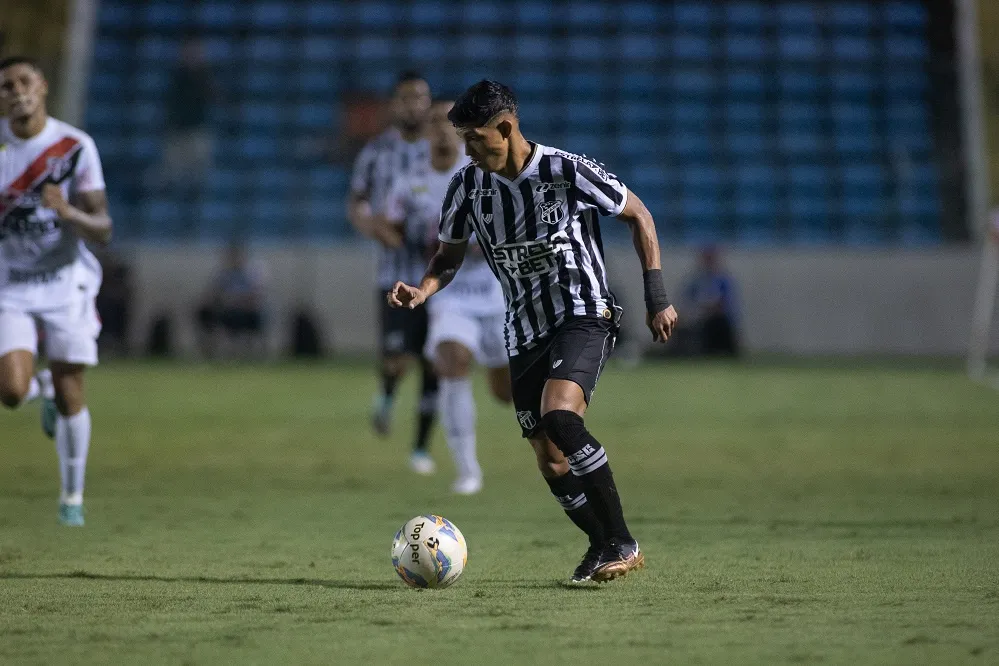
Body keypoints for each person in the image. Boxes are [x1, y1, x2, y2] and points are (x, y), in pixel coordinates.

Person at [388, 80, 678, 583]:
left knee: (561, 417)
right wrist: (423, 290)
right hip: (522, 331)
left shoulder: (566, 170)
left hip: (583, 314)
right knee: (549, 458)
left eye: (475, 138)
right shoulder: (467, 188)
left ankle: (624, 543)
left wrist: (656, 297)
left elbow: (640, 216)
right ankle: (599, 545)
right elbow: (448, 256)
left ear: (505, 127)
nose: (468, 150)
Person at [0, 56, 113, 526]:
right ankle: (37, 384)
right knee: (9, 392)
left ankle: (72, 496)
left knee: (72, 391)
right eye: (6, 86)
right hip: (11, 284)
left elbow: (103, 228)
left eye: (24, 81)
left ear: (43, 86)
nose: (16, 91)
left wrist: (70, 214)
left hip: (67, 281)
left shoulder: (73, 147)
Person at [382, 98, 511, 495]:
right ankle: (467, 470)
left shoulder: (483, 174)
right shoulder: (409, 181)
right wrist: (410, 244)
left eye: (449, 122)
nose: (441, 128)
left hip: (495, 292)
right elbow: (391, 226)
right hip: (447, 293)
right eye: (434, 121)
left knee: (505, 393)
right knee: (451, 361)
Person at [347, 71, 439, 475]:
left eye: (420, 98)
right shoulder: (377, 152)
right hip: (394, 276)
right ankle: (386, 394)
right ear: (394, 105)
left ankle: (420, 448)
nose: (413, 105)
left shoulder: (444, 148)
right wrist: (375, 229)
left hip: (438, 278)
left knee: (436, 360)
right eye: (405, 98)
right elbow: (357, 203)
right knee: (397, 359)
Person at [194, 243, 267, 359]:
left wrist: (238, 302)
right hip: (227, 309)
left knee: (239, 316)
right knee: (205, 312)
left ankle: (245, 352)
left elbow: (256, 296)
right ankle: (208, 350)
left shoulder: (252, 273)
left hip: (246, 311)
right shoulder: (224, 274)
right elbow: (215, 293)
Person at [680, 246, 739, 356]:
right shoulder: (695, 281)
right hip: (699, 318)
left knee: (718, 323)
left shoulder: (722, 280)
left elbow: (726, 304)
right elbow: (687, 302)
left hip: (718, 320)